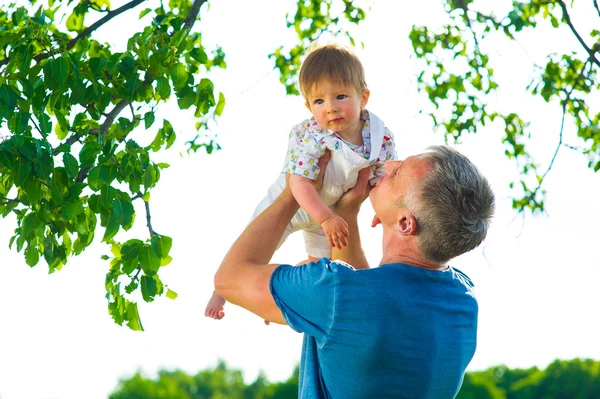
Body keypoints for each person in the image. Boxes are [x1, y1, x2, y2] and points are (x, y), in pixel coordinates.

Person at [213, 145, 495, 398]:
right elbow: (368, 313)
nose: (390, 163)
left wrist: (295, 189)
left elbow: (229, 279)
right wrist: (347, 213)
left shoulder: (333, 291)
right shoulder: (464, 301)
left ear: (405, 223)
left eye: (397, 174)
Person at [205, 41, 396, 319]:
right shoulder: (310, 134)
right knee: (255, 244)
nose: (330, 108)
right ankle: (219, 291)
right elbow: (299, 184)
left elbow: (383, 176)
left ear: (363, 97)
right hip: (298, 201)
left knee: (326, 265)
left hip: (331, 211)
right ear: (308, 106)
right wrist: (324, 217)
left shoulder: (379, 136)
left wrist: (384, 211)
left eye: (340, 96)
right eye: (319, 101)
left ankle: (284, 303)